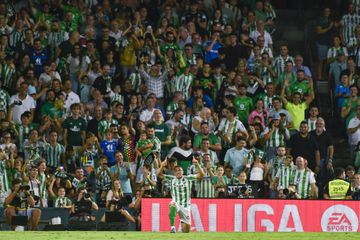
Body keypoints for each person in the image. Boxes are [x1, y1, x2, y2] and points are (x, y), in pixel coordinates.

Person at [157, 157, 204, 233]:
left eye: (180, 170)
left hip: (186, 206)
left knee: (186, 231)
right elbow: (158, 175)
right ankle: (172, 227)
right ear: (174, 173)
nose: (178, 172)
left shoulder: (188, 178)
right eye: (176, 171)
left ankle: (183, 223)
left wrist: (197, 164)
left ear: (183, 171)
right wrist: (161, 166)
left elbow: (202, 175)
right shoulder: (171, 179)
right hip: (176, 202)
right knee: (172, 204)